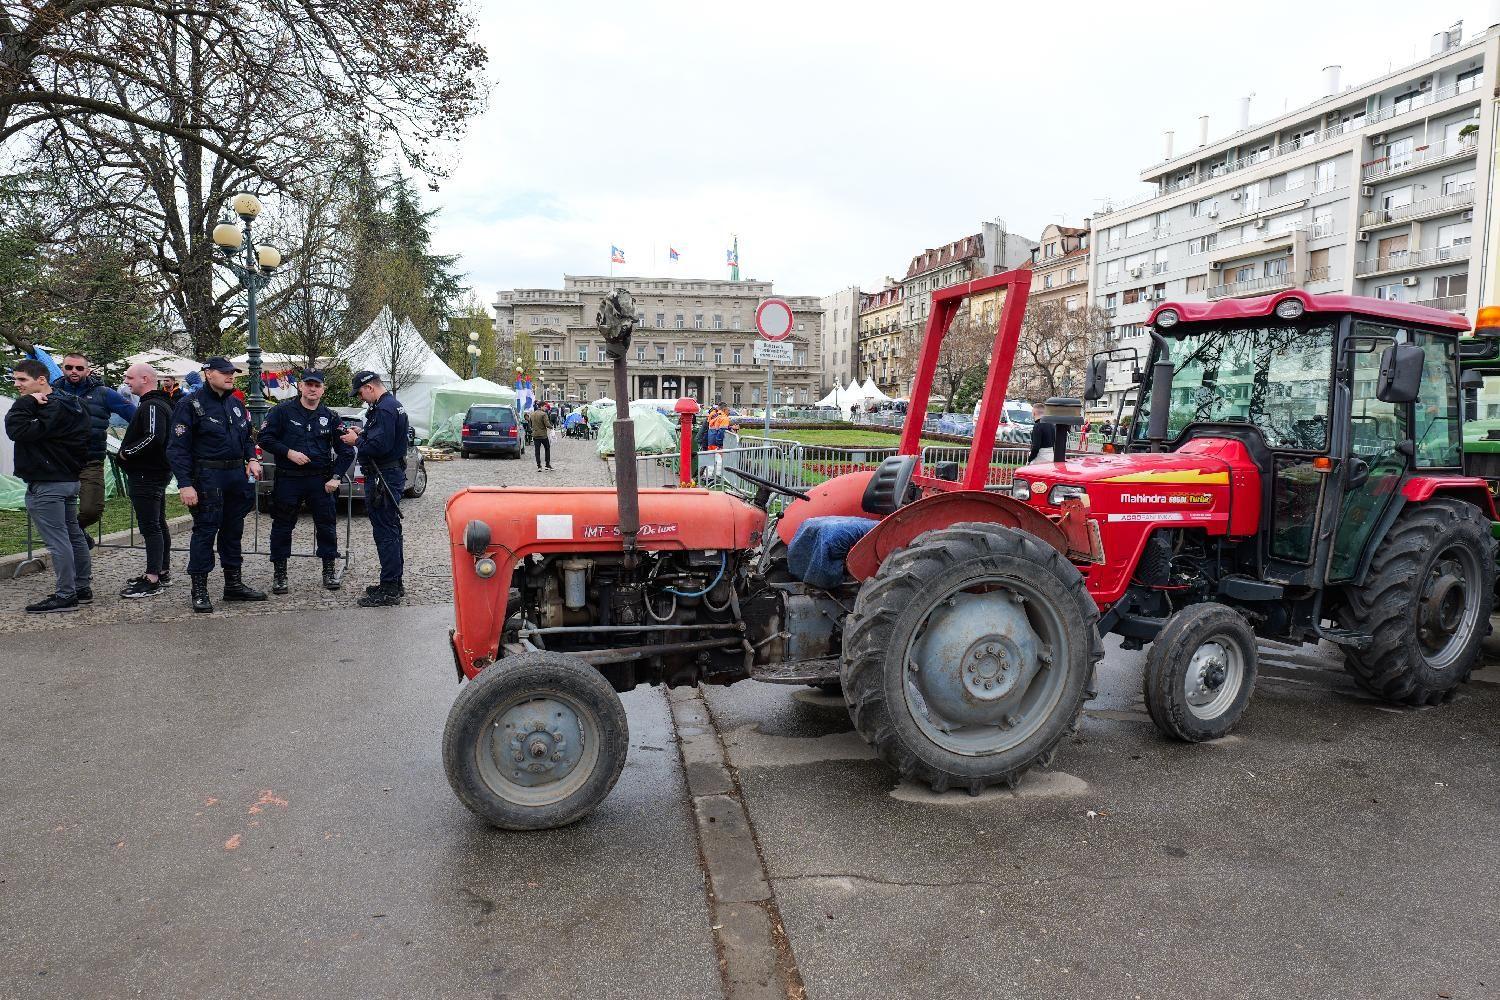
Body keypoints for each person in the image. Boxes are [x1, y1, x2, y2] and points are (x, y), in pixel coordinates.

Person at [166, 357, 266, 613]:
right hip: (207, 475)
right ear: (208, 374)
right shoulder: (190, 405)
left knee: (233, 531)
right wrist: (185, 484)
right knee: (205, 531)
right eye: (224, 372)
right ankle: (199, 588)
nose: (230, 376)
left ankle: (233, 584)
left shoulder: (235, 403)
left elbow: (245, 436)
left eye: (231, 372)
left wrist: (252, 458)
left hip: (235, 476)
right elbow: (178, 449)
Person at [5, 359, 93, 613]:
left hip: (49, 483)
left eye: (22, 380)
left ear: (41, 380)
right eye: (15, 380)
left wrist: (26, 403)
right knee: (73, 535)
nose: (17, 385)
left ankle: (66, 594)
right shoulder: (71, 403)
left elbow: (16, 429)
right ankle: (81, 588)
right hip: (67, 480)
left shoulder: (45, 407)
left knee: (59, 541)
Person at [257, 369, 354, 594]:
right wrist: (288, 452)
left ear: (323, 389)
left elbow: (346, 451)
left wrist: (336, 477)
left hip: (320, 480)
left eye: (317, 385)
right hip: (289, 478)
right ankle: (280, 574)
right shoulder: (281, 411)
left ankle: (329, 570)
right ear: (300, 386)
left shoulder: (330, 416)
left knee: (327, 526)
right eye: (308, 384)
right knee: (282, 526)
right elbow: (264, 438)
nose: (312, 389)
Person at [340, 371, 409, 607]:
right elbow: (385, 438)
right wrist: (364, 433)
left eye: (361, 393)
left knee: (385, 532)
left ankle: (390, 587)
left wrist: (356, 441)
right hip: (390, 473)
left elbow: (378, 447)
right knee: (391, 530)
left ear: (370, 387)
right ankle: (394, 582)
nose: (362, 398)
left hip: (384, 476)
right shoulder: (392, 405)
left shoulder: (384, 409)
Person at [50, 351, 136, 539]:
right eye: (69, 367)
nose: (74, 371)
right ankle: (75, 540)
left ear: (87, 371)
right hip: (59, 462)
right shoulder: (52, 392)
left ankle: (76, 532)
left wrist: (130, 445)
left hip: (91, 461)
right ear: (62, 369)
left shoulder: (104, 393)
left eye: (79, 368)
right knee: (55, 512)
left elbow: (136, 416)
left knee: (92, 510)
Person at [115, 363, 177, 598]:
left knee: (151, 525)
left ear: (145, 379)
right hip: (154, 472)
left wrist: (126, 453)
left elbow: (153, 437)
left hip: (147, 473)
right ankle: (161, 571)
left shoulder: (152, 405)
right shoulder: (158, 403)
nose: (126, 381)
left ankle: (153, 578)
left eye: (129, 377)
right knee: (158, 523)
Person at [526, 402, 553, 471]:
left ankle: (539, 466)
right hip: (543, 435)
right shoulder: (544, 414)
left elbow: (530, 424)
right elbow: (547, 424)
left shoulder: (532, 414)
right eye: (545, 406)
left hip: (535, 435)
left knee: (537, 451)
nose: (546, 408)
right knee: (547, 448)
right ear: (541, 407)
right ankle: (547, 464)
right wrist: (551, 427)